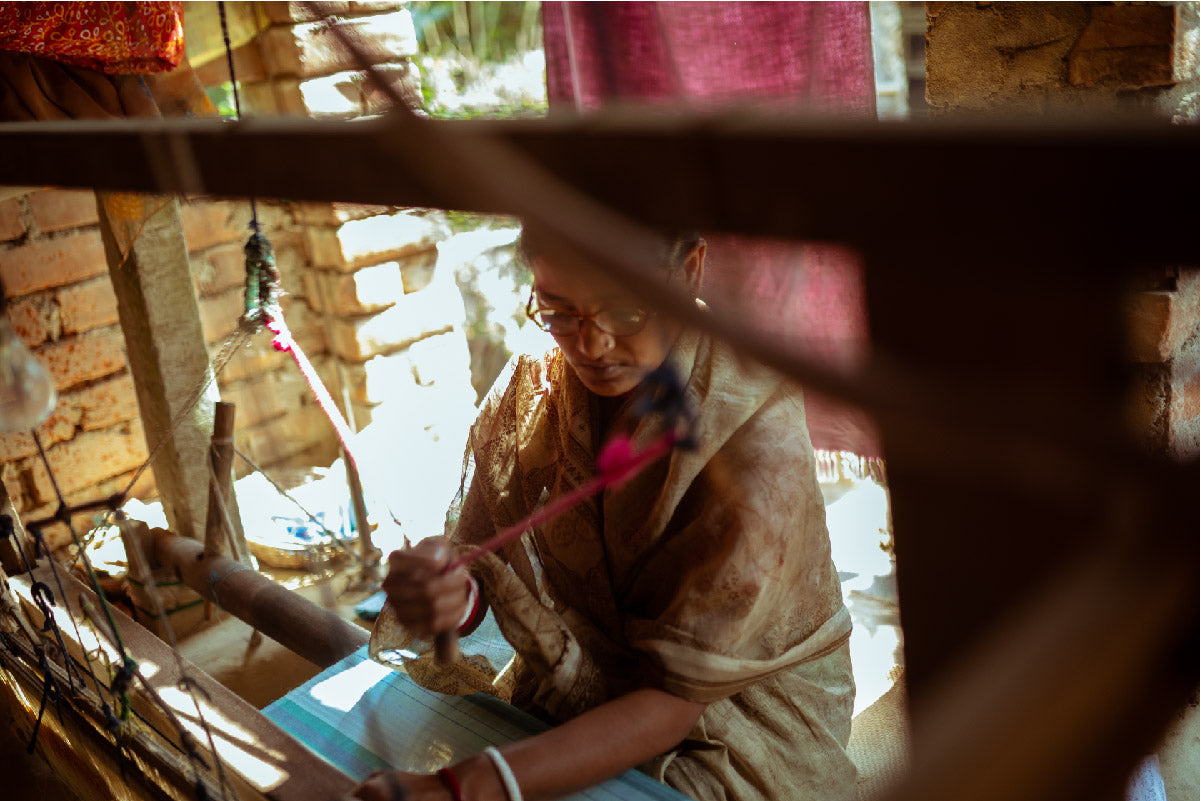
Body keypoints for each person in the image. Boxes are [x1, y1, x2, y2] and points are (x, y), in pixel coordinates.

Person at [352, 229, 857, 801]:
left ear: (689, 271)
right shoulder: (539, 389)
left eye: (624, 308)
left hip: (739, 719)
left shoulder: (750, 430)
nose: (590, 344)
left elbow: (674, 702)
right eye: (559, 311)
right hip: (594, 678)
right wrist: (454, 596)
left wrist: (462, 784)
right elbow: (481, 558)